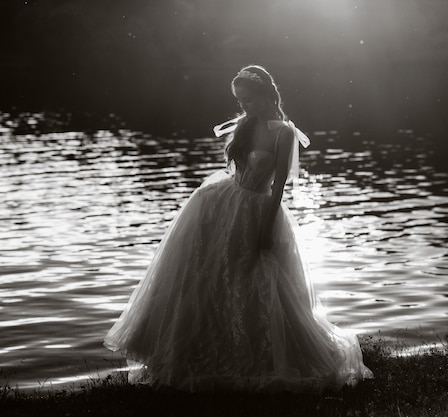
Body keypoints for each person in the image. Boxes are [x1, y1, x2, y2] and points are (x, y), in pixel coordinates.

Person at [104, 65, 373, 392]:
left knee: (255, 278)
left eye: (248, 99)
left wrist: (266, 225)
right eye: (240, 100)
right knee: (208, 276)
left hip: (258, 207)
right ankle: (200, 353)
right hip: (221, 203)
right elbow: (236, 169)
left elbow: (278, 186)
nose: (243, 105)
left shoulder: (283, 132)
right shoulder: (244, 126)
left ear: (265, 96)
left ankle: (259, 355)